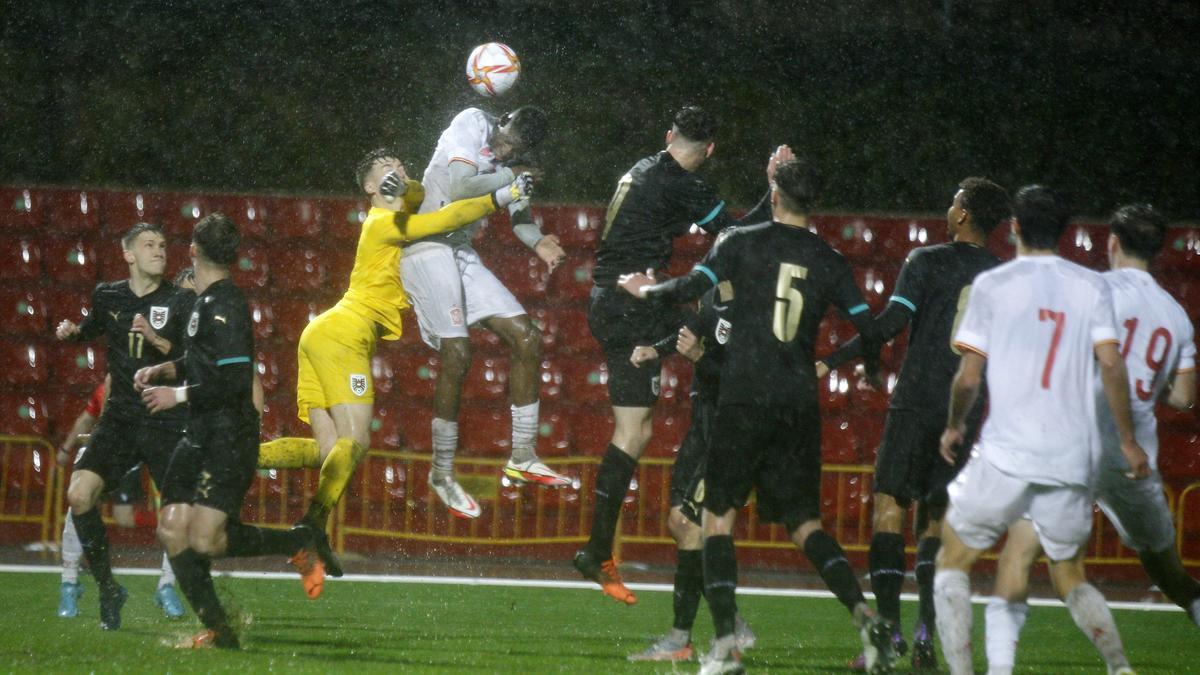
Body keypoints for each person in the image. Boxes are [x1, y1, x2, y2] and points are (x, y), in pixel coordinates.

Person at [620, 156, 896, 675]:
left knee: (717, 519)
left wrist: (646, 288)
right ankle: (866, 617)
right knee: (804, 523)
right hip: (796, 403)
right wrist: (873, 370)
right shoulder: (829, 259)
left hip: (745, 396)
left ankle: (724, 647)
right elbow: (870, 325)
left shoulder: (739, 244)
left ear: (773, 194)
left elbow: (688, 290)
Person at [251, 147, 532, 586]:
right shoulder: (383, 222)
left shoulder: (399, 206)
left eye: (400, 165)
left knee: (330, 454)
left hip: (323, 333)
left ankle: (240, 457)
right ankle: (311, 527)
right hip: (344, 335)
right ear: (367, 187)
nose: (397, 171)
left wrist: (406, 185)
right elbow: (442, 220)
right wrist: (501, 195)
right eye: (386, 171)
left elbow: (418, 194)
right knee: (357, 440)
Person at [933, 185, 1147, 675]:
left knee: (953, 556)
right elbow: (1112, 365)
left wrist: (954, 425)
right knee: (1068, 571)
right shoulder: (1092, 286)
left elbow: (968, 376)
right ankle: (1119, 667)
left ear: (1013, 227)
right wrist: (1129, 441)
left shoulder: (995, 284)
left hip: (1009, 450)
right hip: (1072, 456)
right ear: (1065, 231)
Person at [983, 203, 1198, 674]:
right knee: (1169, 573)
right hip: (1132, 459)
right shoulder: (1177, 316)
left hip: (1072, 444)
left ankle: (1109, 667)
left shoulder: (1092, 288)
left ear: (1113, 243)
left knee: (1029, 558)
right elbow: (1184, 397)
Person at [573, 105, 771, 605]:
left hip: (610, 299)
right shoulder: (686, 184)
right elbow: (739, 234)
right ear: (709, 151)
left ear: (668, 136)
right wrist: (774, 187)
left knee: (636, 427)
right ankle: (598, 550)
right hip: (631, 305)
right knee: (721, 325)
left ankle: (597, 551)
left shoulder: (644, 166)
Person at [817, 177, 1010, 670]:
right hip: (964, 411)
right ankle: (926, 633)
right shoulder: (1001, 276)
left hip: (918, 399)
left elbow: (889, 323)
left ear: (963, 215)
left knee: (889, 509)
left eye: (953, 201)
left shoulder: (927, 261)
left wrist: (833, 359)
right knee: (934, 520)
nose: (948, 208)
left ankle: (888, 634)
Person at [404, 105, 569, 520]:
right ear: (504, 118)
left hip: (459, 251)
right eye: (506, 134)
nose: (503, 145)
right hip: (425, 246)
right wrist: (514, 177)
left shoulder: (513, 166)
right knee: (459, 354)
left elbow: (521, 219)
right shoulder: (472, 121)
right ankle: (441, 473)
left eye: (513, 148)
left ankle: (523, 455)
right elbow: (460, 185)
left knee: (528, 337)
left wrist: (539, 243)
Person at [53, 222, 196, 630]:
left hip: (165, 421)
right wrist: (72, 333)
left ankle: (181, 591)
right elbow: (90, 329)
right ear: (128, 255)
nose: (159, 251)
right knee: (79, 496)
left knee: (181, 519)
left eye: (163, 244)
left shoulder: (180, 300)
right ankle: (108, 588)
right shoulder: (108, 294)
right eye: (149, 245)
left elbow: (189, 357)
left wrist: (155, 338)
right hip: (119, 419)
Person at [626, 284, 755, 662]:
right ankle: (727, 623)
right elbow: (690, 330)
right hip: (702, 425)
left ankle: (684, 638)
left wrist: (699, 356)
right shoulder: (714, 295)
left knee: (689, 524)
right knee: (679, 524)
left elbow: (744, 380)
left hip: (727, 428)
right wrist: (658, 349)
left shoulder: (753, 305)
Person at [55, 376, 185, 619]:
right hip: (121, 446)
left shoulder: (169, 384)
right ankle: (70, 581)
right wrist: (67, 447)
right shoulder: (113, 382)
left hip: (157, 443)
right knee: (80, 497)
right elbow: (89, 417)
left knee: (177, 507)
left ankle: (167, 586)